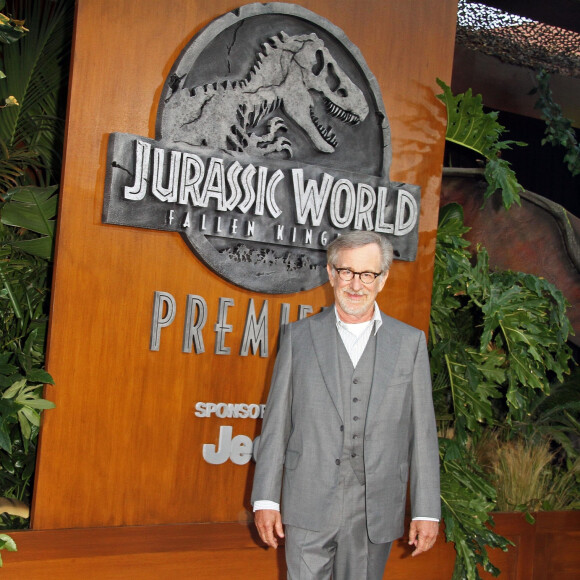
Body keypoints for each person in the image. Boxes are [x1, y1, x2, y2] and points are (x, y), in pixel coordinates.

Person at [251, 230, 440, 579]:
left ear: (382, 279)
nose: (356, 284)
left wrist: (427, 509)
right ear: (331, 273)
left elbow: (423, 433)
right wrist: (265, 499)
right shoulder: (298, 338)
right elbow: (276, 425)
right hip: (307, 501)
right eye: (347, 272)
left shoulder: (409, 343)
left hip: (375, 508)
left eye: (367, 274)